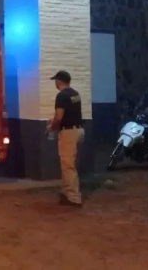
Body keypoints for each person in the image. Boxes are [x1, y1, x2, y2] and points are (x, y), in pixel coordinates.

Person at [47, 70, 85, 208]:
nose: (55, 83)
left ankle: (74, 197)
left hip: (69, 132)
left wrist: (51, 126)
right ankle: (66, 192)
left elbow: (59, 116)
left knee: (68, 165)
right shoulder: (75, 94)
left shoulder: (61, 96)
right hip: (79, 130)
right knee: (68, 163)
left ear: (59, 81)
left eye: (56, 81)